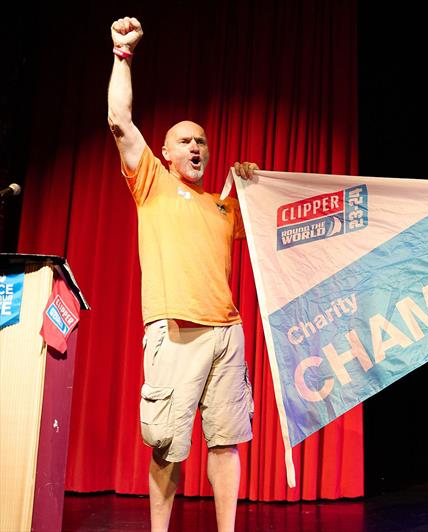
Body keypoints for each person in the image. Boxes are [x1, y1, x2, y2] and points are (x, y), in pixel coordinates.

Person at [108, 17, 259, 532]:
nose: (196, 147)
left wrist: (254, 190)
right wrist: (122, 54)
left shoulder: (224, 208)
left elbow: (276, 234)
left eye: (202, 142)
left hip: (228, 332)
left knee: (225, 441)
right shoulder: (149, 181)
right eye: (185, 142)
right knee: (168, 443)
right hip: (176, 332)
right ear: (167, 154)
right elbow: (120, 122)